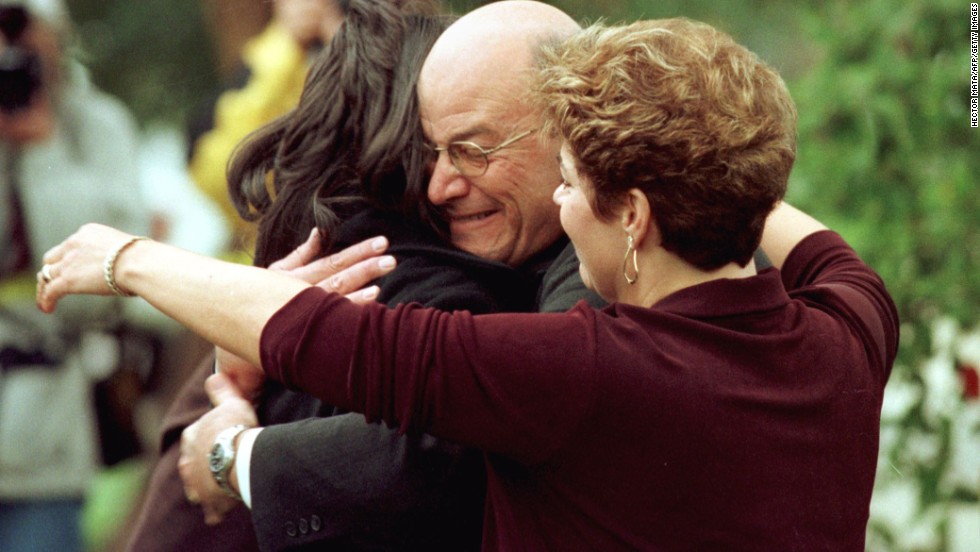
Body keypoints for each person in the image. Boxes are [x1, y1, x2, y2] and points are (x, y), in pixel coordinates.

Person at [37, 15, 900, 550]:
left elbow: (329, 336)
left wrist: (127, 262)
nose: (562, 203)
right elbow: (795, 220)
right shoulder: (853, 323)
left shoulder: (583, 368)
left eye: (571, 181)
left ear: (632, 216)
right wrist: (684, 131)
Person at [123, 1, 546, 550]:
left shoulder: (302, 271)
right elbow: (431, 456)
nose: (449, 178)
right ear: (413, 127)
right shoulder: (424, 285)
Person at [0, 0, 149, 550]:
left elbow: (95, 293)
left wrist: (42, 150)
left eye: (19, 26)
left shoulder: (96, 125)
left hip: (45, 444)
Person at [188, 0, 344, 256]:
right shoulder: (261, 65)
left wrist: (352, 53)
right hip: (274, 259)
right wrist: (287, 44)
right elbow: (229, 175)